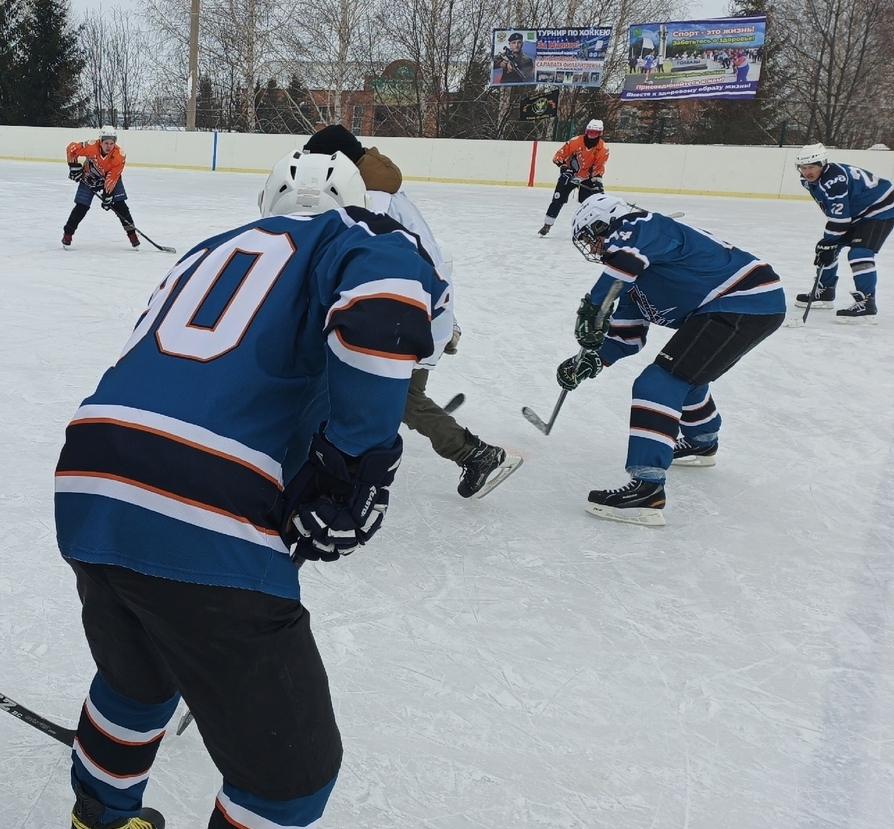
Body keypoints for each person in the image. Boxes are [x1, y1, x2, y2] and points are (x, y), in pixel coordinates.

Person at [51, 145, 445, 829]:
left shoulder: (210, 249)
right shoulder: (353, 237)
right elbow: (385, 311)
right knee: (289, 769)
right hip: (204, 502)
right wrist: (355, 468)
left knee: (137, 675)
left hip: (90, 477)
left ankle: (99, 828)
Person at [305, 124, 520, 499]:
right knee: (390, 393)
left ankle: (476, 454)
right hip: (423, 303)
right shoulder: (381, 190)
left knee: (396, 396)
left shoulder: (370, 199)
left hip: (406, 310)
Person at [557, 195, 784, 526]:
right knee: (685, 375)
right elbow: (627, 336)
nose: (593, 248)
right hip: (740, 305)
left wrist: (595, 305)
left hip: (744, 300)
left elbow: (627, 257)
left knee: (658, 383)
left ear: (607, 223)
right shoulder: (631, 277)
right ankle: (702, 442)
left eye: (593, 238)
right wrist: (592, 361)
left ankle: (646, 490)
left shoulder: (643, 226)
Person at [793, 142, 894, 323]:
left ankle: (867, 303)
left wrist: (829, 240)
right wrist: (828, 243)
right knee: (826, 248)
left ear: (822, 164)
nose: (807, 171)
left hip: (882, 207)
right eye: (803, 167)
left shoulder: (834, 181)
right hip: (858, 211)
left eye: (812, 167)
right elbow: (834, 211)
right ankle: (826, 291)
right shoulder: (808, 180)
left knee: (859, 253)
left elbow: (840, 219)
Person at [64, 125, 142, 248]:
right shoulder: (91, 146)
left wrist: (108, 195)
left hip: (110, 179)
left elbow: (112, 177)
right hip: (89, 178)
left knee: (121, 206)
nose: (109, 146)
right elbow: (71, 149)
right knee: (81, 207)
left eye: (112, 143)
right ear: (100, 141)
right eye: (106, 143)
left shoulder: (119, 156)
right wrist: (73, 167)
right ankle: (68, 233)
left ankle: (132, 235)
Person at [538, 119, 609, 236]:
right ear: (586, 131)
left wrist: (596, 180)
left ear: (600, 134)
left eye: (595, 133)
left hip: (587, 179)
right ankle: (547, 225)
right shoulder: (575, 142)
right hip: (569, 175)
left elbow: (599, 166)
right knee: (557, 200)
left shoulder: (603, 148)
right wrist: (564, 168)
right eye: (590, 132)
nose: (592, 135)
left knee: (591, 204)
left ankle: (591, 228)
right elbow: (559, 156)